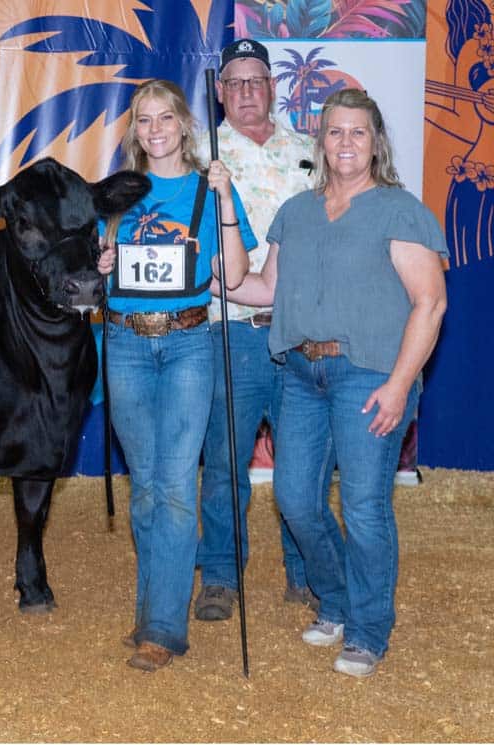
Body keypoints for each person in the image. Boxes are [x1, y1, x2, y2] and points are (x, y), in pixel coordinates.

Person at [241, 88, 448, 677]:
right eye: (336, 131)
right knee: (296, 500)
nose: (347, 142)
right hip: (300, 374)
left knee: (363, 506)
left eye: (359, 131)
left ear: (376, 141)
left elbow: (429, 304)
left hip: (370, 375)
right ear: (321, 141)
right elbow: (264, 289)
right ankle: (333, 599)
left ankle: (366, 630)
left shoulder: (400, 209)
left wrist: (401, 384)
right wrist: (197, 279)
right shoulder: (296, 211)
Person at [96, 79, 254, 672]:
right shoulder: (115, 197)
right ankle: (152, 609)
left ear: (186, 125)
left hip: (188, 342)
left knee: (175, 483)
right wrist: (102, 263)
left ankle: (164, 626)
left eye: (166, 118)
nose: (156, 129)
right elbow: (95, 276)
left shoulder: (207, 189)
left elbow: (234, 276)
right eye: (144, 120)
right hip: (126, 344)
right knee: (146, 488)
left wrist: (228, 199)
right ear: (134, 130)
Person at [192, 38, 331, 622]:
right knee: (225, 462)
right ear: (219, 92)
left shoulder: (313, 151)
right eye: (235, 83)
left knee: (305, 468)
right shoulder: (198, 155)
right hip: (231, 329)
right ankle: (221, 575)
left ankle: (306, 574)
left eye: (256, 81)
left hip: (303, 332)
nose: (247, 92)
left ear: (274, 88)